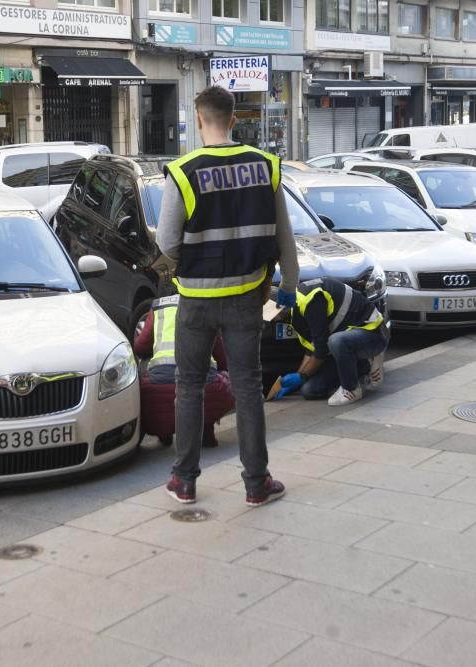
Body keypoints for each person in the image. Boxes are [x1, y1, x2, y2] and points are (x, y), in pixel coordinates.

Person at [157, 85, 300, 507]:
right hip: (246, 298)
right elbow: (285, 237)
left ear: (199, 120)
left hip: (196, 300)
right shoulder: (266, 166)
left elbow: (167, 244)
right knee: (249, 386)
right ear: (235, 120)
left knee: (189, 386)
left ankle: (184, 480)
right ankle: (257, 483)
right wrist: (289, 285)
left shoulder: (183, 171)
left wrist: (191, 264)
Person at [134, 295, 235, 448]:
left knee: (145, 365)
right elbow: (222, 360)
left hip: (159, 388)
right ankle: (207, 431)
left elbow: (140, 348)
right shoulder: (207, 304)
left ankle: (165, 434)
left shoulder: (159, 307)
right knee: (220, 376)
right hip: (206, 390)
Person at [272, 278, 387, 406]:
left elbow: (321, 349)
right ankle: (364, 366)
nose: (274, 319)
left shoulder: (309, 300)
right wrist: (299, 376)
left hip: (372, 333)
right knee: (309, 390)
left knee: (336, 341)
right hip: (349, 340)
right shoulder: (294, 312)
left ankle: (352, 389)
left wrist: (302, 377)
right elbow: (311, 348)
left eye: (273, 314)